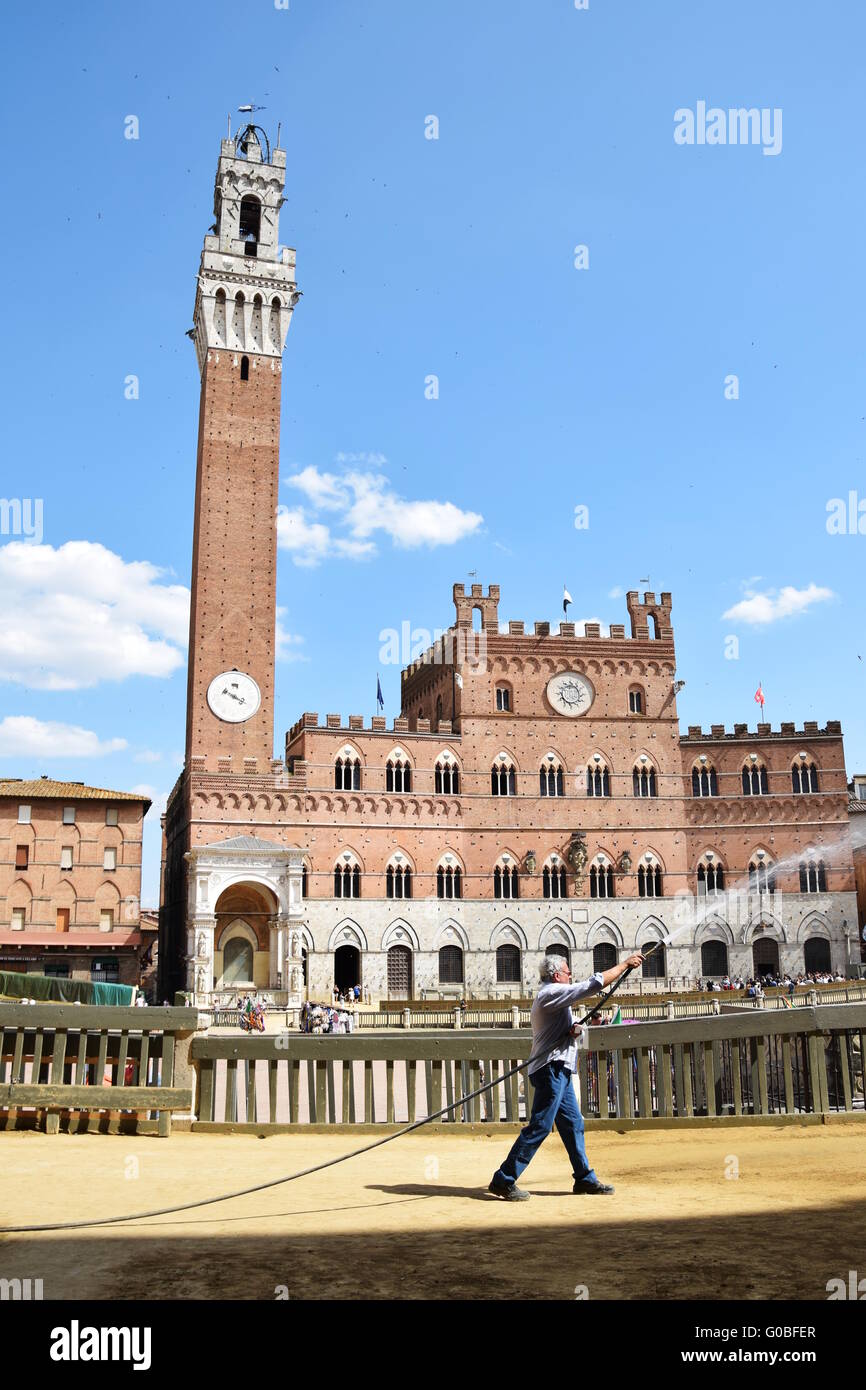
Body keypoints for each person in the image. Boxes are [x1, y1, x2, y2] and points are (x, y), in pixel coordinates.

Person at [488, 952, 643, 1200]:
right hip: (550, 1069)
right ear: (557, 975)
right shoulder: (550, 993)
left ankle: (584, 1178)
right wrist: (624, 964)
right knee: (541, 1125)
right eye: (568, 972)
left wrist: (573, 1031)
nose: (571, 976)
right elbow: (592, 985)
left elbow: (570, 1030)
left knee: (572, 1124)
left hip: (559, 1069)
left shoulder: (556, 999)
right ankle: (504, 1178)